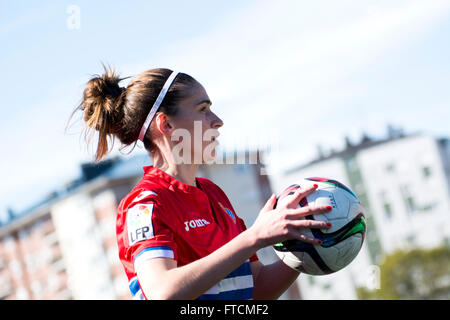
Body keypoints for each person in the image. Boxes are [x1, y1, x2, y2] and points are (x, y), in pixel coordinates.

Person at [74, 66, 332, 300]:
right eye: (202, 109)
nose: (217, 121)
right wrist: (255, 235)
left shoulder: (213, 194)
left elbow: (257, 289)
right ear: (166, 124)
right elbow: (163, 292)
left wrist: (307, 246)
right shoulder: (144, 204)